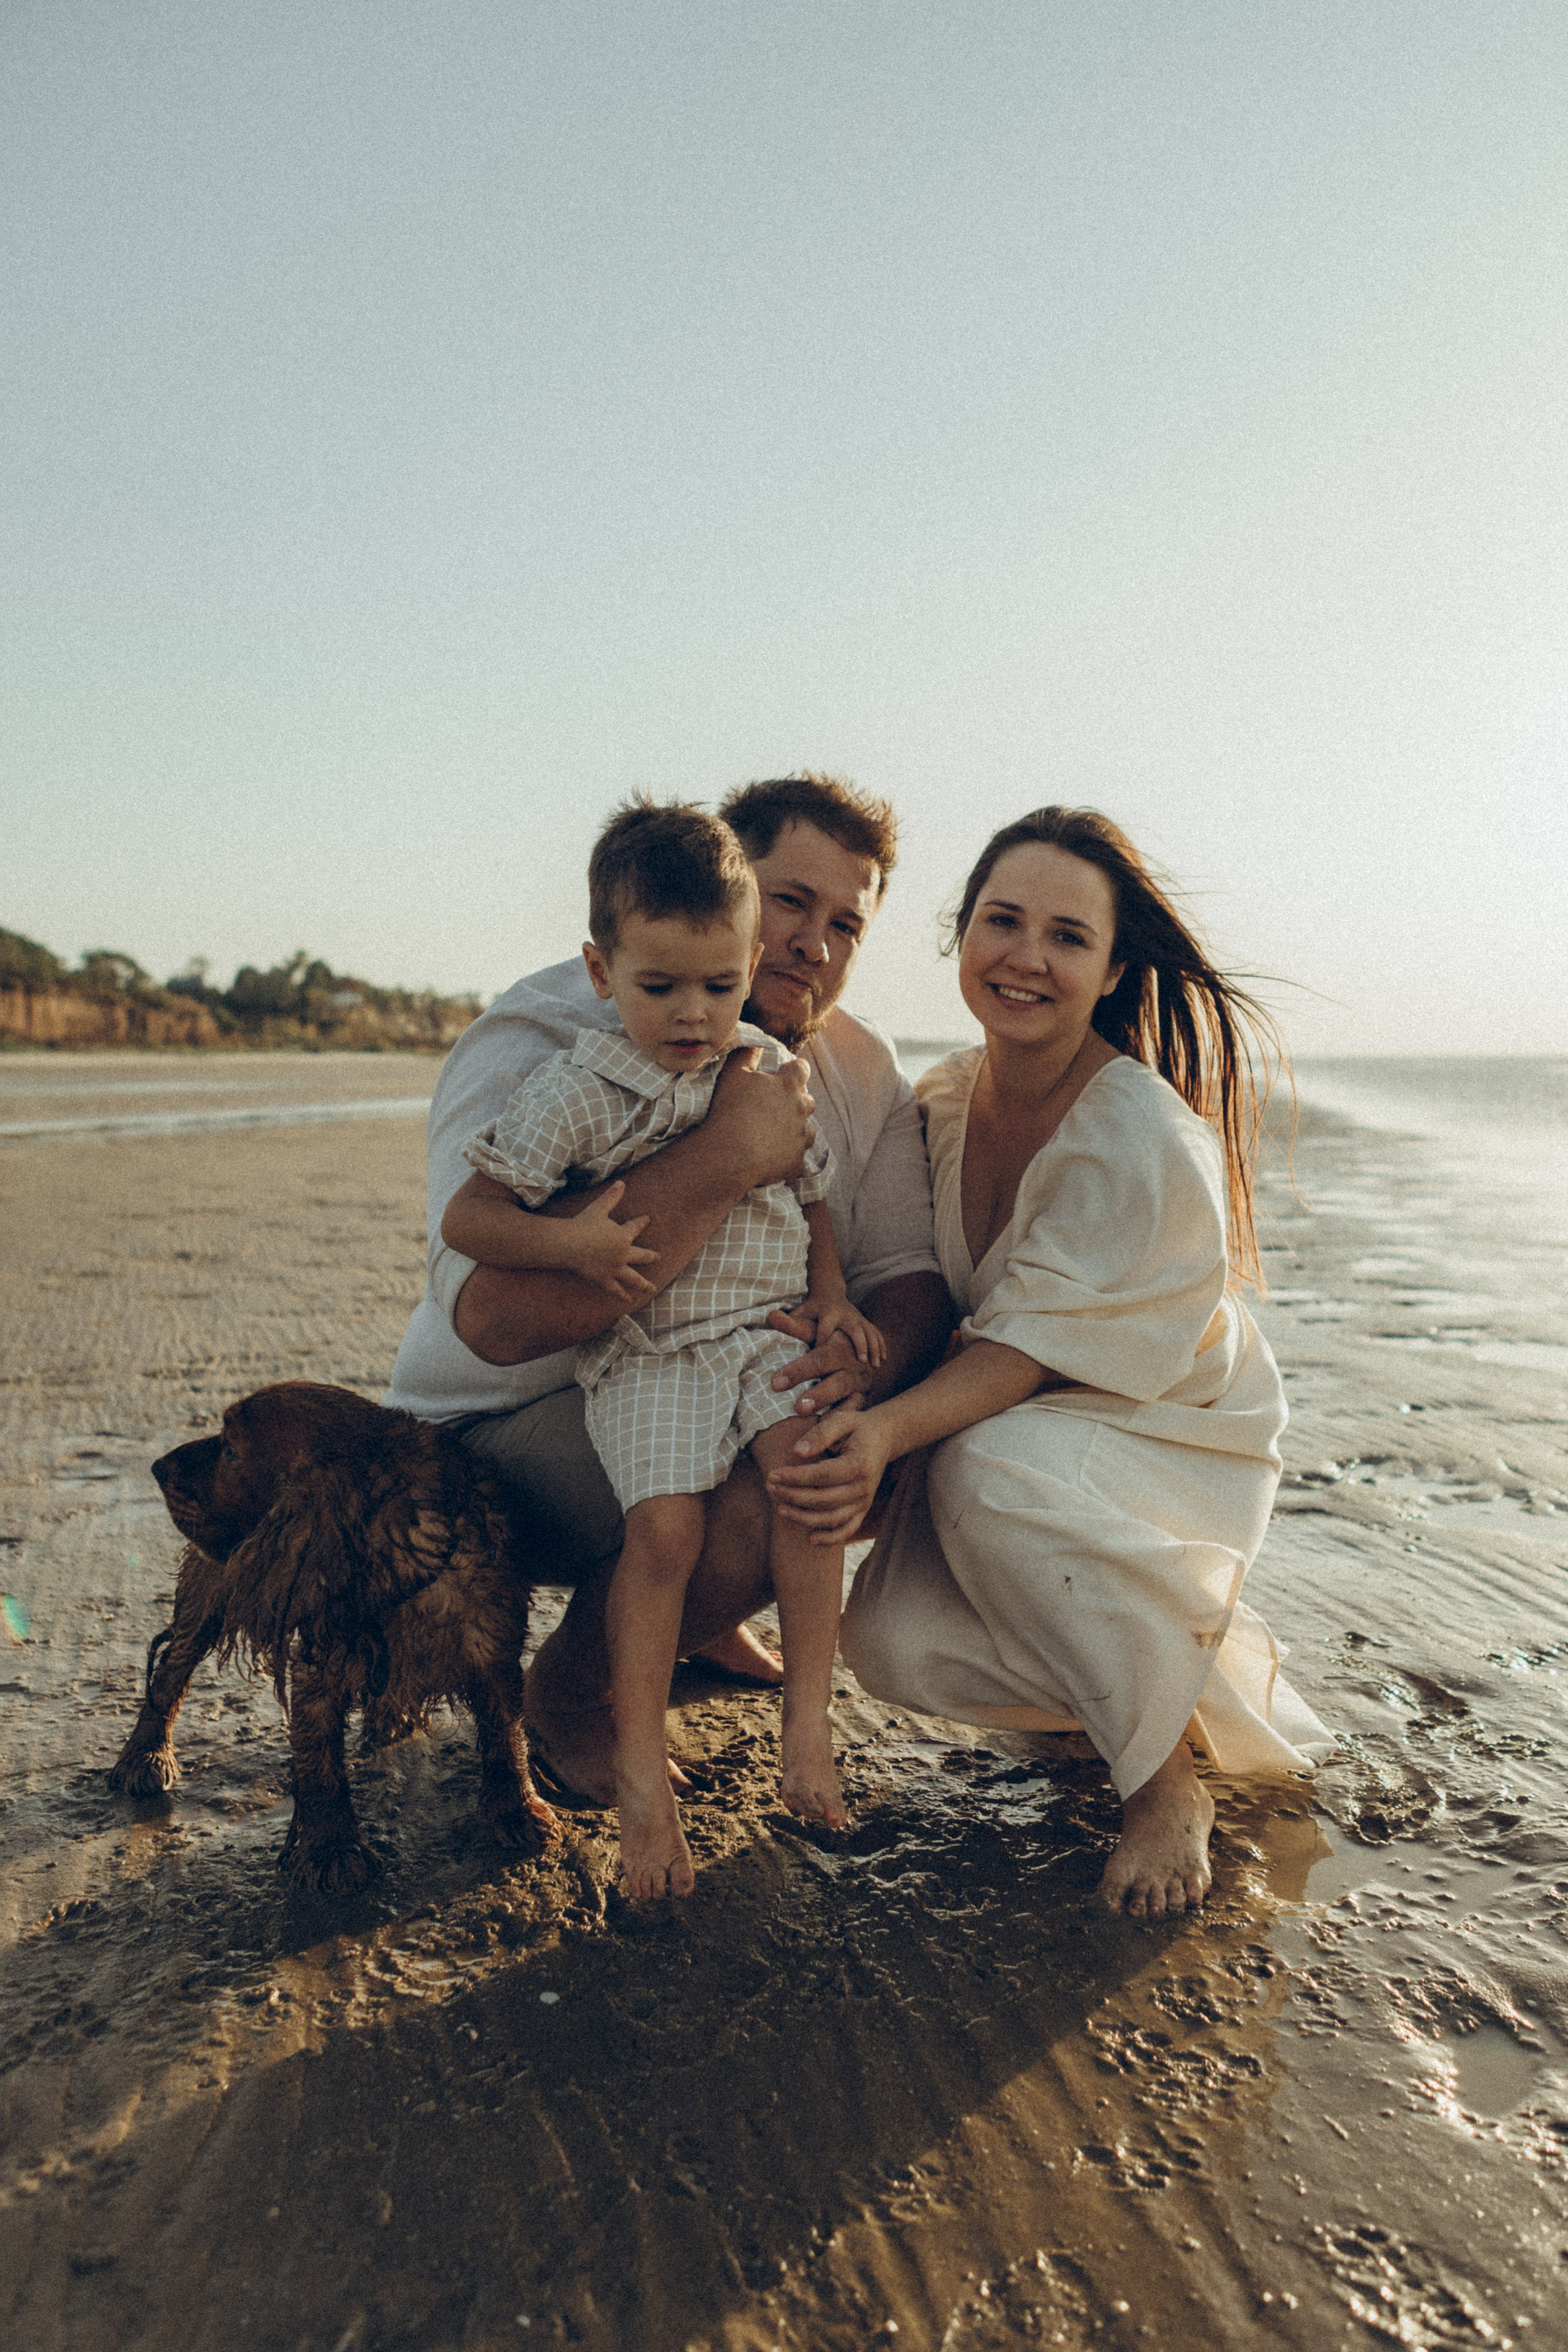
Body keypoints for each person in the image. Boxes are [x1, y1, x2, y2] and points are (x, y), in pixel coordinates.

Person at [764, 807, 1333, 1918]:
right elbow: (912, 1276)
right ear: (960, 936)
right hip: (1015, 1422)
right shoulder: (939, 1097)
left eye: (1068, 937)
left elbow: (1021, 1356)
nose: (1027, 957)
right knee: (889, 1642)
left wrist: (883, 1432)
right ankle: (1109, 1692)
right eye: (1002, 921)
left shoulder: (1137, 1138)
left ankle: (1163, 1780)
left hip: (1166, 1420)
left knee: (979, 1472)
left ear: (1112, 966)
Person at [385, 773, 951, 1806]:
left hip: (709, 1371)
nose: (813, 945)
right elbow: (494, 1322)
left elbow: (907, 1274)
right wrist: (725, 1157)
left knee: (869, 1438)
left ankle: (701, 1616)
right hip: (490, 1430)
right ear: (724, 882)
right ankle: (567, 1693)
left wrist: (859, 1367)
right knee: (735, 1481)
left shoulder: (858, 1066)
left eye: (845, 924)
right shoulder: (548, 1035)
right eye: (789, 901)